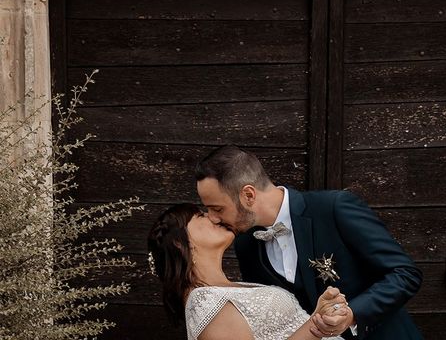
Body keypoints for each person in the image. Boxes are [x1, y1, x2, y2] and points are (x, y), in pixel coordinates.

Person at [195, 146, 423, 339]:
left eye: (217, 208)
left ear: (248, 195)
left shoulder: (334, 208)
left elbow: (405, 273)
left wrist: (352, 314)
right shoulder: (246, 244)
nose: (213, 218)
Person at [147, 203, 350, 340]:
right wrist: (315, 327)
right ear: (178, 242)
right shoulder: (204, 301)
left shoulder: (232, 288)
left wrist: (324, 315)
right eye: (201, 215)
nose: (214, 217)